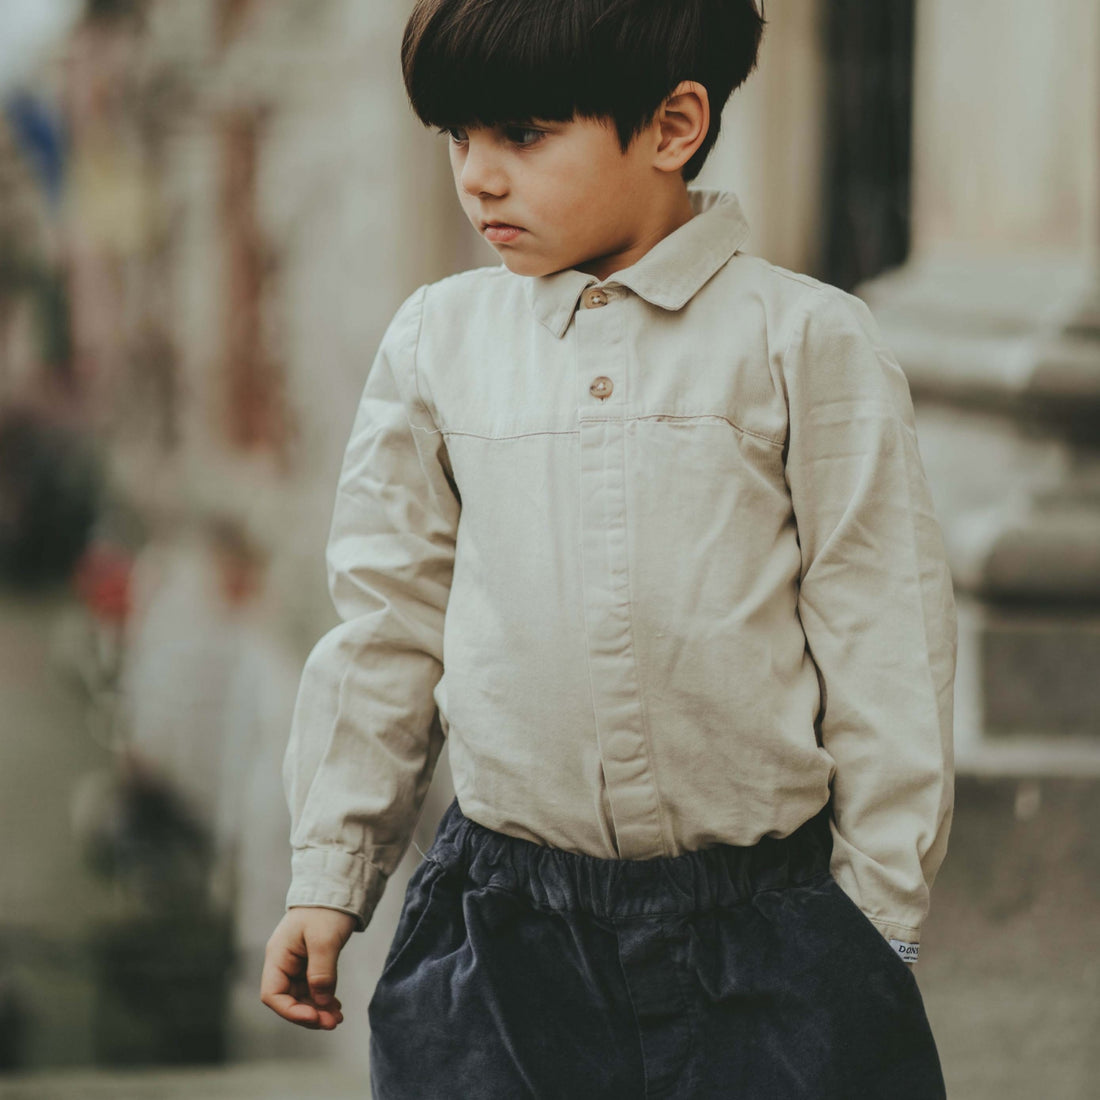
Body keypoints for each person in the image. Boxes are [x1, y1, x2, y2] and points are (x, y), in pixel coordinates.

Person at [260, 1, 958, 1096]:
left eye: (522, 134)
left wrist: (873, 925)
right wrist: (331, 872)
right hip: (499, 937)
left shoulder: (805, 339)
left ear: (673, 126)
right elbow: (387, 626)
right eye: (458, 138)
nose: (478, 178)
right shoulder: (439, 341)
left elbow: (886, 640)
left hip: (765, 932)